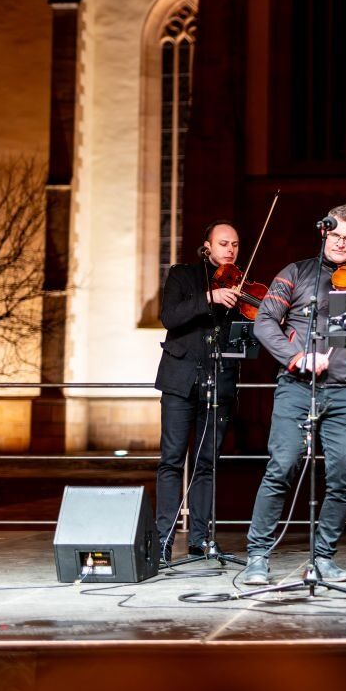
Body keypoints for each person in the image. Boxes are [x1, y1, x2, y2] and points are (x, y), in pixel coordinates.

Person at [243, 204, 346, 585]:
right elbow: (265, 322)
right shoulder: (296, 273)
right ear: (325, 233)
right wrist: (298, 356)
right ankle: (257, 554)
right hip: (297, 388)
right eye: (335, 236)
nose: (341, 244)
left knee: (343, 474)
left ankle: (322, 556)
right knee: (281, 467)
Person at [154, 220, 242, 562]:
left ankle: (202, 539)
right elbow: (169, 317)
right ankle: (163, 538)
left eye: (235, 244)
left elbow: (250, 331)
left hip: (219, 379)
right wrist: (209, 297)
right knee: (171, 460)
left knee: (208, 463)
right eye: (223, 243)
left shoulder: (239, 285)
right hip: (179, 378)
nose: (230, 250)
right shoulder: (182, 276)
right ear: (207, 247)